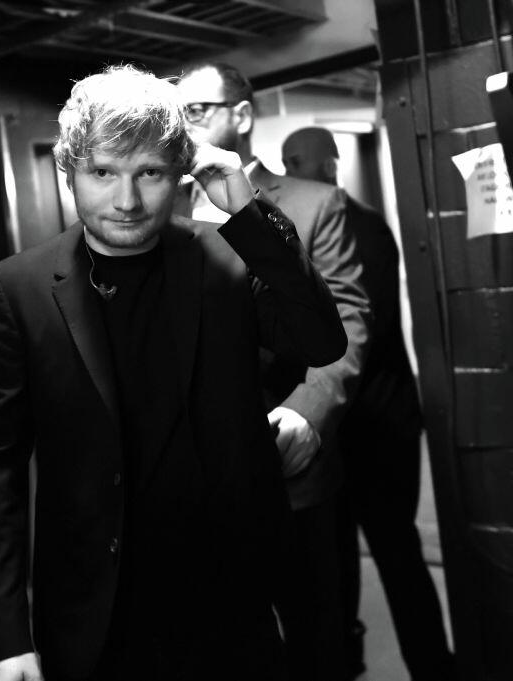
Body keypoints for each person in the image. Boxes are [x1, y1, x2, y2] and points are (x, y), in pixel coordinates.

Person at [0, 64, 347, 681]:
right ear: (70, 173)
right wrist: (3, 635)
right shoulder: (18, 289)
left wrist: (246, 208)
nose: (128, 200)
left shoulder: (224, 258)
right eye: (103, 173)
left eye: (150, 173)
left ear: (180, 173)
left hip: (228, 593)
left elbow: (320, 339)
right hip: (96, 606)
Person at [176, 64, 370, 680]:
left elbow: (349, 325)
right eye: (179, 111)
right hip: (190, 478)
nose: (187, 123)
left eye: (201, 108)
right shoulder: (156, 211)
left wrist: (306, 413)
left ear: (242, 113)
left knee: (316, 639)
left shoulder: (315, 204)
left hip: (286, 453)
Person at [282, 126, 456, 681]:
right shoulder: (292, 229)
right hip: (339, 429)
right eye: (288, 159)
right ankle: (352, 659)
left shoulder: (360, 227)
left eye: (301, 160)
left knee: (396, 555)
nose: (294, 170)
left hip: (377, 426)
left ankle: (431, 666)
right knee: (334, 572)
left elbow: (358, 329)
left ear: (332, 165)